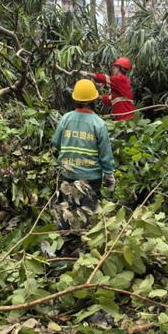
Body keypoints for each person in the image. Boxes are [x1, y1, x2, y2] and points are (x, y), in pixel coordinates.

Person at [51, 79, 115, 242]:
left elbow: (56, 142)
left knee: (67, 210)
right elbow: (105, 154)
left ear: (75, 99)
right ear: (94, 100)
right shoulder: (99, 124)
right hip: (91, 179)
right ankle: (84, 248)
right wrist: (109, 176)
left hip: (68, 175)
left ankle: (64, 244)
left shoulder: (66, 119)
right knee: (88, 215)